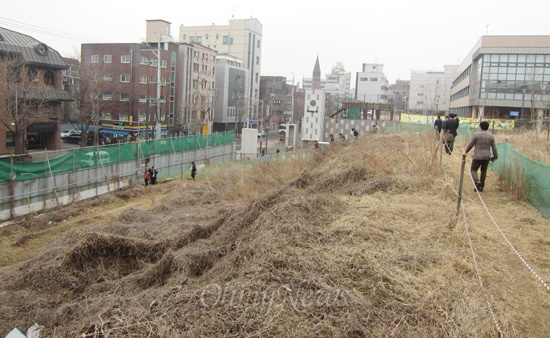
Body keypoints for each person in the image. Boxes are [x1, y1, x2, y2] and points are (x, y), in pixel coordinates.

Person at [463, 121, 498, 192]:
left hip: (477, 156)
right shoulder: (491, 136)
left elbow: (470, 145)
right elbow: (494, 148)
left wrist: (465, 151)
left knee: (473, 169)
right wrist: (495, 156)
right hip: (487, 156)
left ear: (480, 127)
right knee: (483, 171)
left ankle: (477, 181)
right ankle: (481, 186)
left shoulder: (476, 135)